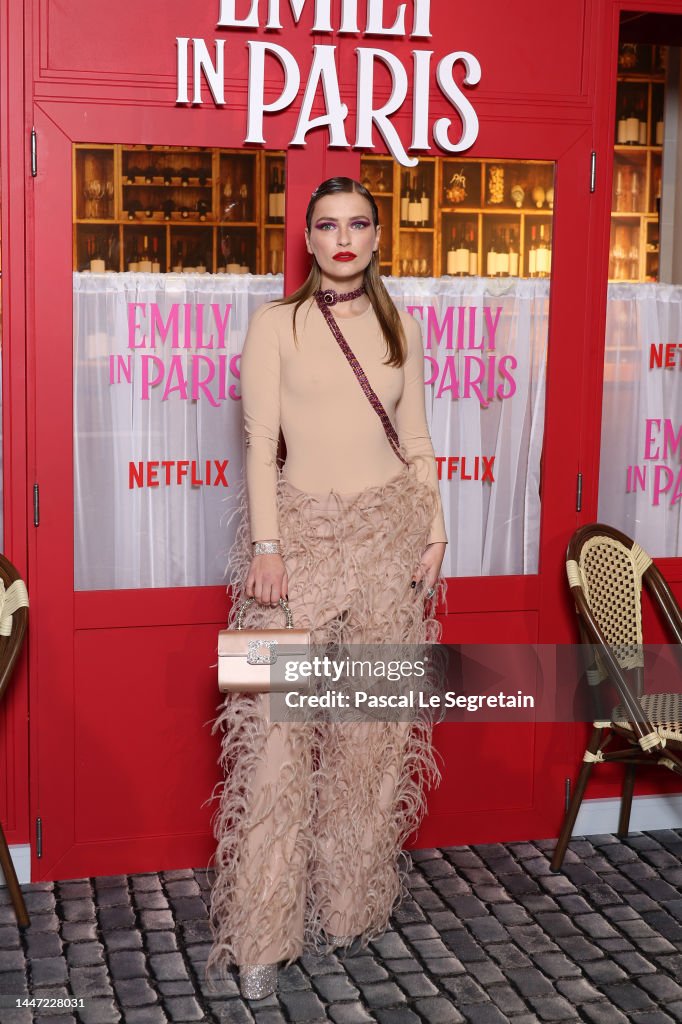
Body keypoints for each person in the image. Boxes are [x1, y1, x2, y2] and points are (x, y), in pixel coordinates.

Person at [207, 176, 448, 1000]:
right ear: (306, 238)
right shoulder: (274, 324)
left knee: (372, 740)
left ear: (377, 235)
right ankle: (260, 936)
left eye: (358, 224)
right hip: (297, 546)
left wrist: (437, 530)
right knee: (274, 746)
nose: (343, 238)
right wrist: (267, 546)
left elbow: (416, 439)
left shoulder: (401, 324)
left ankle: (347, 909)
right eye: (327, 225)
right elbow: (258, 440)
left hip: (389, 542)